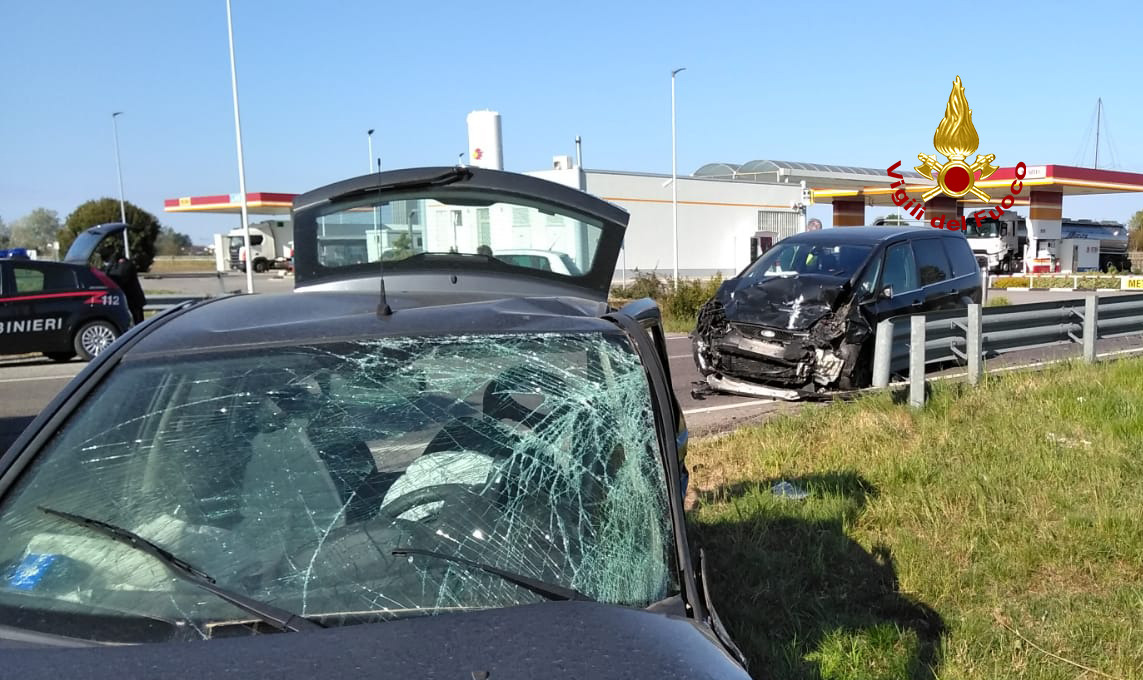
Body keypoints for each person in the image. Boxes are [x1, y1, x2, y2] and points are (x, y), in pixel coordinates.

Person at [105, 249, 147, 324]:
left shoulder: (125, 266)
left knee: (137, 321)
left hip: (133, 299)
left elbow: (117, 277)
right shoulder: (126, 264)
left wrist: (110, 265)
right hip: (133, 298)